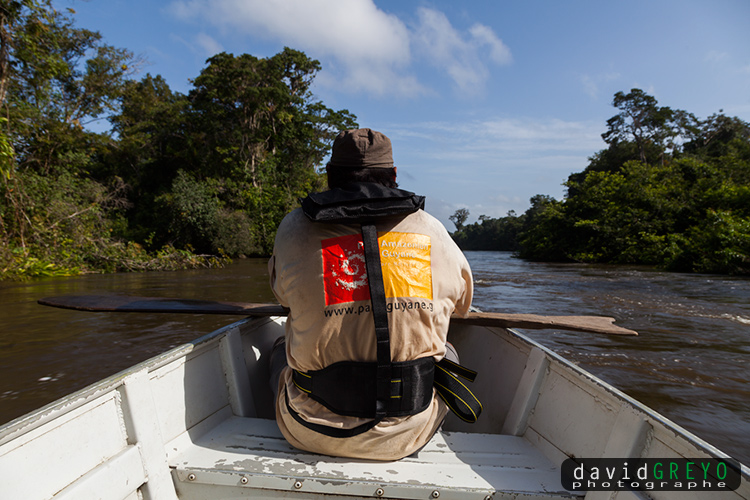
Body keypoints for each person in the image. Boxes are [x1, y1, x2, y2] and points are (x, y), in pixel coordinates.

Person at [267, 128, 474, 460]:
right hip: (406, 435)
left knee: (280, 347)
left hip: (308, 430)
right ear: (393, 175)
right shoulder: (432, 229)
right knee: (447, 350)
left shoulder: (293, 228)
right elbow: (462, 308)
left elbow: (283, 299)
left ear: (330, 175)